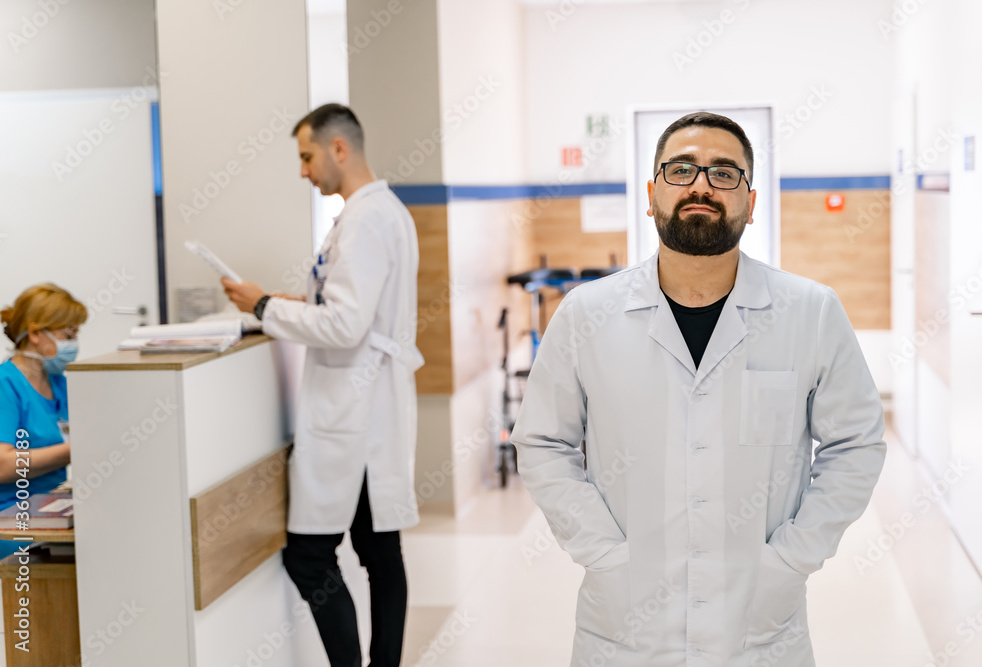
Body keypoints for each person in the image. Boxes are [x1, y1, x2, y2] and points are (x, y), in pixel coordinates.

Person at [511, 112, 886, 666]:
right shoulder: (587, 314)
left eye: (724, 173)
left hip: (759, 627)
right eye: (681, 169)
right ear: (651, 193)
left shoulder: (809, 312)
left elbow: (857, 445)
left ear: (751, 202)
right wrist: (604, 552)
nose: (702, 186)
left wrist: (791, 558)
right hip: (625, 625)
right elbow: (543, 443)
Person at [221, 103, 423, 667]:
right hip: (366, 406)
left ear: (339, 148)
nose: (303, 171)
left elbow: (345, 324)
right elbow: (351, 307)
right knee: (380, 550)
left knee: (312, 557)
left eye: (307, 156)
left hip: (354, 412)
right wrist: (293, 305)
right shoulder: (377, 213)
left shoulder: (364, 220)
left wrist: (263, 305)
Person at [0, 284, 87, 558]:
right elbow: (2, 465)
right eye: (68, 334)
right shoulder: (6, 384)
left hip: (53, 507)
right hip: (11, 518)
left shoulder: (59, 383)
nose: (73, 344)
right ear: (36, 333)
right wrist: (78, 449)